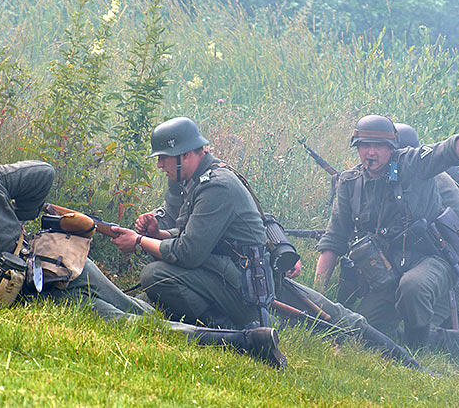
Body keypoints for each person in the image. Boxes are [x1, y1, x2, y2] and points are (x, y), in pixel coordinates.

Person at [0, 150, 287, 368]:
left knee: (134, 323)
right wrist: (18, 216)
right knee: (138, 312)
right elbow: (43, 173)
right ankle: (243, 339)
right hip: (59, 259)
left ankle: (245, 342)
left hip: (36, 294)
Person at [110, 117, 426, 371]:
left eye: (164, 158)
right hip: (235, 272)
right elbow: (187, 234)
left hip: (247, 282)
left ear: (187, 155)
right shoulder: (196, 180)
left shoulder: (216, 187)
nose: (160, 166)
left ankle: (233, 335)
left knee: (156, 275)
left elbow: (188, 253)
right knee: (336, 316)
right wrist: (157, 234)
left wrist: (139, 241)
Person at [313, 107, 459, 355]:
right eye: (365, 145)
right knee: (364, 331)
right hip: (387, 271)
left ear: (391, 148)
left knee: (413, 286)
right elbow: (333, 241)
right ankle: (440, 339)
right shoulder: (350, 183)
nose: (371, 152)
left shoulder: (413, 164)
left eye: (378, 146)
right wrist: (317, 296)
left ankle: (417, 349)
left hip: (432, 258)